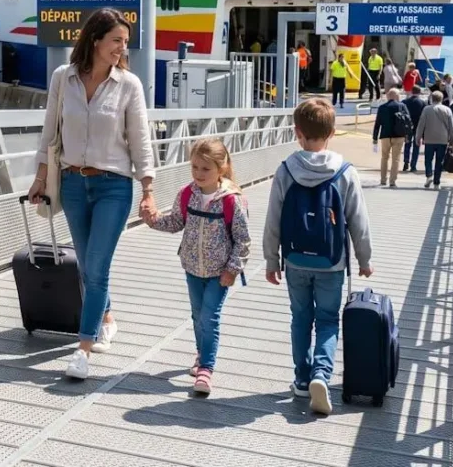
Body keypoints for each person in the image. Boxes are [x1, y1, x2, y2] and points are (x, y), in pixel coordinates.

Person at [28, 8, 158, 380]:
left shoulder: (128, 84)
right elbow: (50, 132)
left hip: (113, 186)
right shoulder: (62, 78)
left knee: (97, 267)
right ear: (96, 40)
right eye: (116, 40)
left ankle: (83, 350)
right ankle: (108, 317)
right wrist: (40, 178)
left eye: (125, 42)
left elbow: (141, 140)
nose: (121, 48)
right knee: (87, 266)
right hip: (71, 183)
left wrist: (148, 189)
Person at [262, 99, 374, 416]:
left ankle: (301, 378)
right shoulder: (344, 172)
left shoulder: (285, 170)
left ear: (297, 133)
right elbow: (359, 221)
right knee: (327, 320)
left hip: (295, 260)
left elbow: (273, 219)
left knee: (300, 318)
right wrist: (365, 260)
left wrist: (272, 260)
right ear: (333, 133)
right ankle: (321, 375)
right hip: (332, 262)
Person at [147, 138, 251, 395]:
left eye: (205, 169)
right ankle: (201, 353)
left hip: (219, 273)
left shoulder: (231, 201)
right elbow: (175, 222)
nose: (198, 174)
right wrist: (152, 220)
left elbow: (243, 239)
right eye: (194, 167)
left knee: (209, 316)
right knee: (197, 315)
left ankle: (206, 368)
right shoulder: (186, 194)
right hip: (192, 267)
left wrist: (233, 269)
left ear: (221, 168)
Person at [415, 90, 453, 189]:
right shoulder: (447, 110)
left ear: (431, 98)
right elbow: (451, 127)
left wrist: (418, 137)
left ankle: (429, 175)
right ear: (441, 99)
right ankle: (437, 183)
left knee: (428, 159)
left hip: (429, 139)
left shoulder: (426, 109)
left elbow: (421, 125)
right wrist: (452, 140)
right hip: (443, 140)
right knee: (439, 161)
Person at [372, 88, 411, 188]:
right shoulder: (402, 106)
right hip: (399, 136)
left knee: (384, 158)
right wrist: (407, 136)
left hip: (385, 136)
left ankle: (383, 180)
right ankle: (392, 181)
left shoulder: (382, 107)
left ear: (388, 96)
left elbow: (377, 124)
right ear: (396, 96)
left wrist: (375, 138)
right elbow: (408, 122)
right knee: (396, 159)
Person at [401, 85, 428, 172]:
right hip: (418, 127)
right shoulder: (423, 103)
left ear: (411, 91)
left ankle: (406, 162)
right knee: (416, 146)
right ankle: (413, 165)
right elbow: (424, 117)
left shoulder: (404, 102)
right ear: (419, 92)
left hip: (407, 127)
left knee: (407, 145)